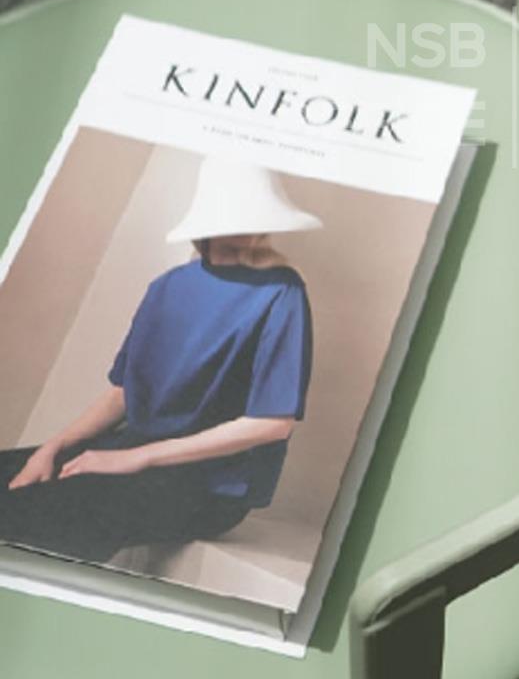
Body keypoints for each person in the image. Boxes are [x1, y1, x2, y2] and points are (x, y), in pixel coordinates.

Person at [0, 155, 319, 564]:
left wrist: (135, 459)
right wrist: (51, 447)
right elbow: (123, 394)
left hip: (208, 486)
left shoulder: (282, 291)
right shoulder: (166, 287)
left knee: (43, 509)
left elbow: (272, 423)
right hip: (128, 451)